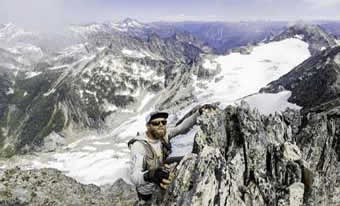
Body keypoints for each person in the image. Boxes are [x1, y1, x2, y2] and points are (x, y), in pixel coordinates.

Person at [128, 109, 199, 203]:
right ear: (148, 126)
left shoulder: (162, 135)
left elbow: (181, 128)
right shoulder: (139, 146)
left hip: (161, 171)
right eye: (156, 123)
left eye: (163, 122)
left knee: (189, 158)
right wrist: (151, 174)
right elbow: (134, 177)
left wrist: (198, 113)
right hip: (148, 191)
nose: (161, 125)